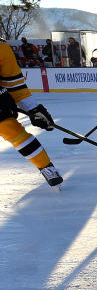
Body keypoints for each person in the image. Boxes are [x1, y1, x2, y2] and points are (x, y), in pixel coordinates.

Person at [0, 39, 62, 188]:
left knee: (11, 129)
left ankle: (46, 167)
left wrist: (33, 109)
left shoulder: (2, 50)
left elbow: (15, 85)